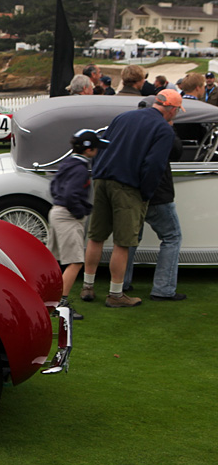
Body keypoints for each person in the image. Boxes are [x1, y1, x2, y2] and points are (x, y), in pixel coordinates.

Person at [81, 90, 181, 308]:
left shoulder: (123, 117)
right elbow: (154, 165)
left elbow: (101, 146)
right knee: (123, 242)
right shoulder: (163, 129)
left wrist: (99, 173)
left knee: (96, 237)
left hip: (102, 179)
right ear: (172, 109)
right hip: (127, 186)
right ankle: (115, 294)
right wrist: (145, 193)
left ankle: (88, 286)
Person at [47, 129, 106, 320]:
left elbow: (54, 186)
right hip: (67, 216)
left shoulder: (68, 163)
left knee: (56, 259)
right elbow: (71, 194)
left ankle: (49, 299)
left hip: (57, 211)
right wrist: (80, 211)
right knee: (75, 261)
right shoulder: (80, 169)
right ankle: (60, 304)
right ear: (88, 150)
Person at [122, 132, 186, 301]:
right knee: (172, 237)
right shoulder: (162, 130)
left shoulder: (128, 129)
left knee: (130, 239)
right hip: (157, 195)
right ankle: (163, 288)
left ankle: (121, 283)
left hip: (131, 192)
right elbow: (176, 152)